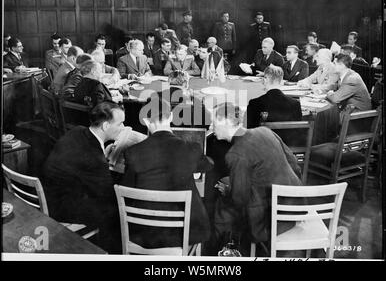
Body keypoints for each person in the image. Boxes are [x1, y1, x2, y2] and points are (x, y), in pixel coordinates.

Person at [120, 98, 212, 249]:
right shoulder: (191, 149)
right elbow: (208, 165)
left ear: (145, 120)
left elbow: (127, 187)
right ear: (171, 117)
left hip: (145, 233)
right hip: (186, 232)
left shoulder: (132, 152)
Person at [212, 102, 302, 247]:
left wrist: (228, 191)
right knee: (229, 183)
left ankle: (223, 251)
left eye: (214, 123)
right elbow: (294, 163)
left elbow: (239, 200)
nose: (212, 127)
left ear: (226, 122)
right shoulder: (264, 131)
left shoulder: (235, 153)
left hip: (272, 221)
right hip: (296, 206)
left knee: (222, 205)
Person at [42, 102, 128, 253]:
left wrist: (103, 153)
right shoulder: (94, 159)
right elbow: (108, 195)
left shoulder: (78, 131)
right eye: (120, 124)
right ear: (106, 126)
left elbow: (83, 164)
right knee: (117, 212)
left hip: (52, 195)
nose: (123, 128)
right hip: (62, 209)